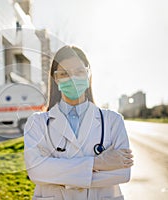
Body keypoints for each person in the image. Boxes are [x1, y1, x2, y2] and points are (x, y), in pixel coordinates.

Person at [24, 46, 133, 200]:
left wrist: (58, 174)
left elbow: (122, 173)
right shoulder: (37, 123)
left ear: (88, 75)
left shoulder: (113, 120)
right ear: (55, 79)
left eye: (79, 72)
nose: (72, 78)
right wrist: (98, 163)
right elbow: (36, 171)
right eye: (64, 74)